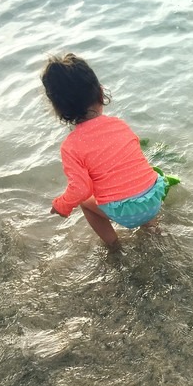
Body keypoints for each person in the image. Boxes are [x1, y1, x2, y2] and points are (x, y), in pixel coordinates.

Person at [41, 53, 165, 248]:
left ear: (59, 110)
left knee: (85, 202)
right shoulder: (119, 124)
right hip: (154, 197)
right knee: (134, 184)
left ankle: (113, 245)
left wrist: (61, 205)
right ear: (100, 93)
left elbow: (81, 190)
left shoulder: (71, 146)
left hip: (126, 213)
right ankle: (153, 230)